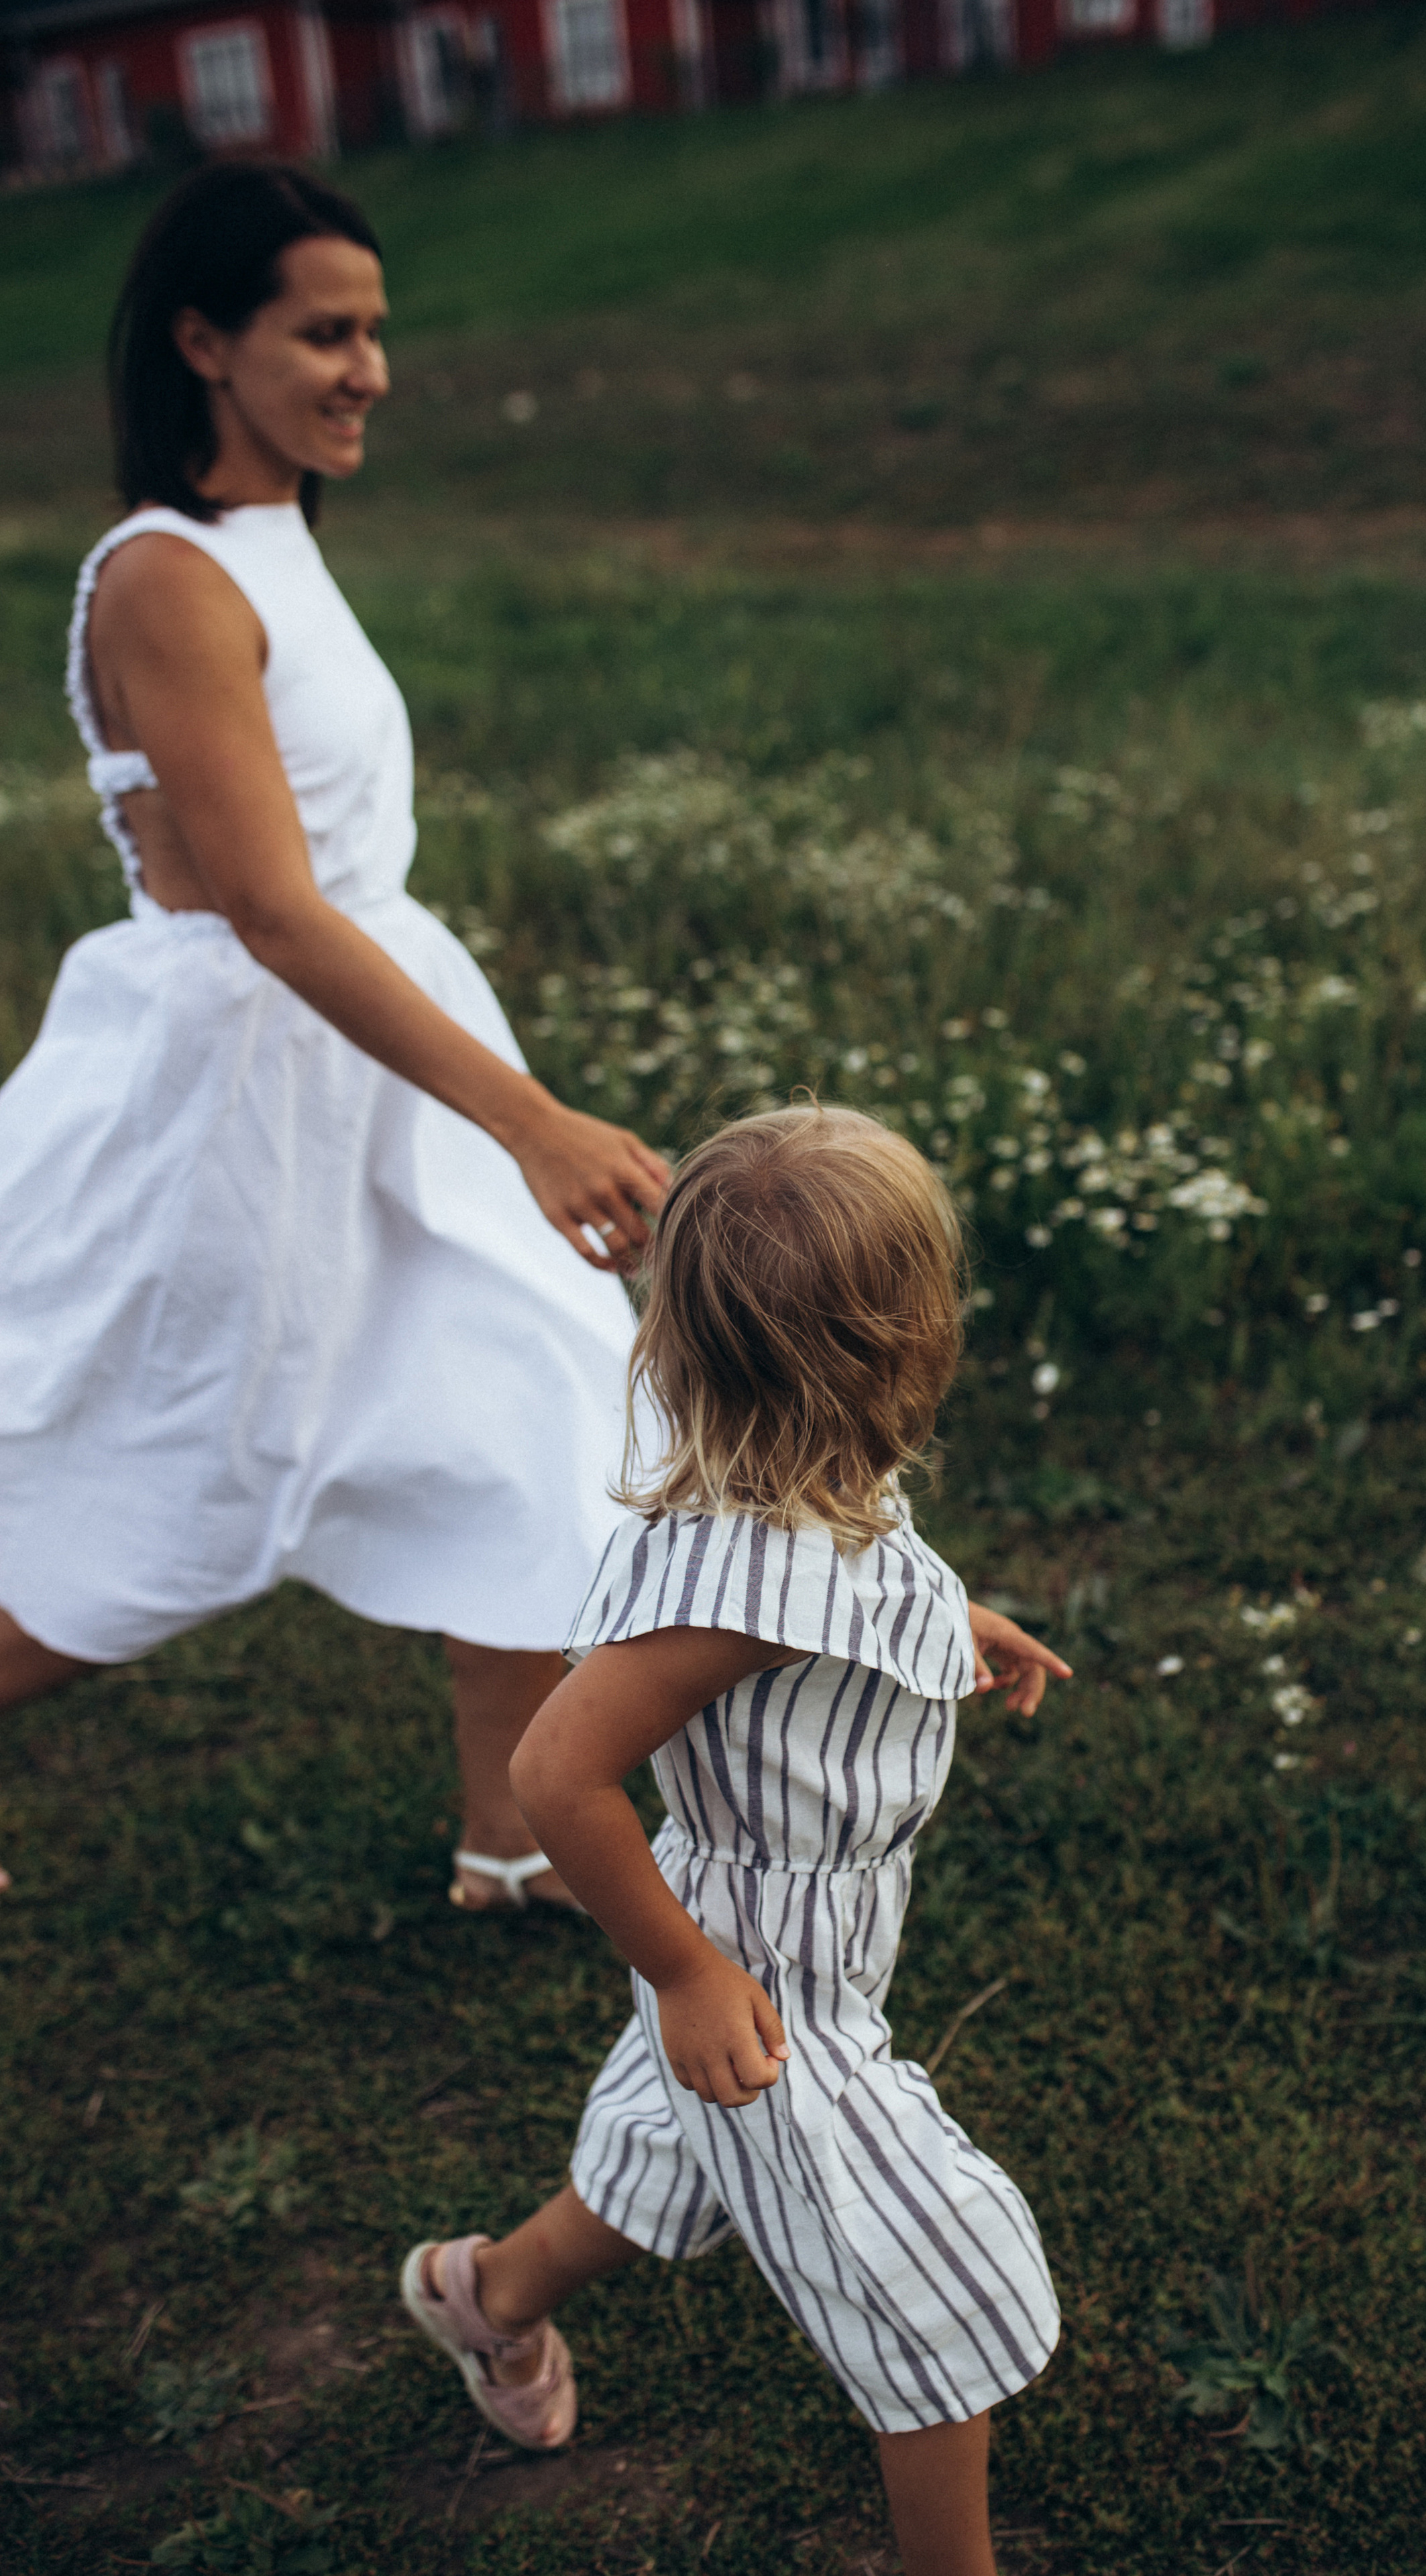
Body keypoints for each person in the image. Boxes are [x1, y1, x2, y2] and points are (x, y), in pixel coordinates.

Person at [0, 161, 667, 1912]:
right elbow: (274, 912)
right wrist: (531, 1120)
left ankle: (514, 1844)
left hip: (379, 1072)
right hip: (244, 1087)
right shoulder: (163, 574)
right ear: (205, 341)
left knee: (524, 1412)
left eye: (378, 330)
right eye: (326, 332)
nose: (370, 367)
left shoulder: (275, 539)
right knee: (174, 1489)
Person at [398, 1105, 1068, 2576]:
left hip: (781, 1942)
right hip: (771, 1989)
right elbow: (557, 1772)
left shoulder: (798, 1473)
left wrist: (948, 1622)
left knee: (659, 2161)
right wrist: (689, 1975)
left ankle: (487, 2293)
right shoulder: (730, 1592)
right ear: (900, 1350)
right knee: (932, 2288)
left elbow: (862, 1569)